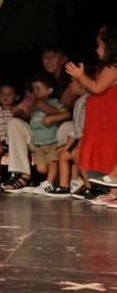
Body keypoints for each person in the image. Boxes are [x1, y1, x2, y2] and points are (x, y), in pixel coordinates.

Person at [66, 25, 117, 206]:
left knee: (113, 150)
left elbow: (97, 88)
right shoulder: (106, 67)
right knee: (110, 152)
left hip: (111, 116)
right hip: (103, 116)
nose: (97, 49)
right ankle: (113, 192)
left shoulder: (113, 67)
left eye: (100, 45)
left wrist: (80, 75)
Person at [1, 72, 69, 194]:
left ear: (49, 90)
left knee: (50, 164)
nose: (34, 92)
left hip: (52, 140)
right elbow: (16, 113)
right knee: (13, 122)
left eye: (38, 89)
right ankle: (22, 174)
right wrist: (22, 106)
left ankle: (52, 181)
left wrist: (49, 115)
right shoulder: (34, 104)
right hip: (37, 141)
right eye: (33, 89)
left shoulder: (53, 102)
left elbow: (62, 113)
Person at [45, 69, 90, 197]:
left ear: (82, 84)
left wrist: (79, 145)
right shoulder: (79, 101)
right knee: (63, 154)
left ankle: (89, 187)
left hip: (88, 141)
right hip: (81, 140)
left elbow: (86, 127)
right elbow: (75, 128)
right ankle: (64, 186)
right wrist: (67, 147)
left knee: (77, 155)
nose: (69, 85)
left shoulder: (89, 101)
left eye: (72, 82)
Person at [0, 81, 19, 191]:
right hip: (0, 140)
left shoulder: (18, 111)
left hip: (15, 141)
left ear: (16, 97)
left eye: (9, 94)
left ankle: (15, 176)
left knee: (18, 151)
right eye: (2, 94)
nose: (5, 97)